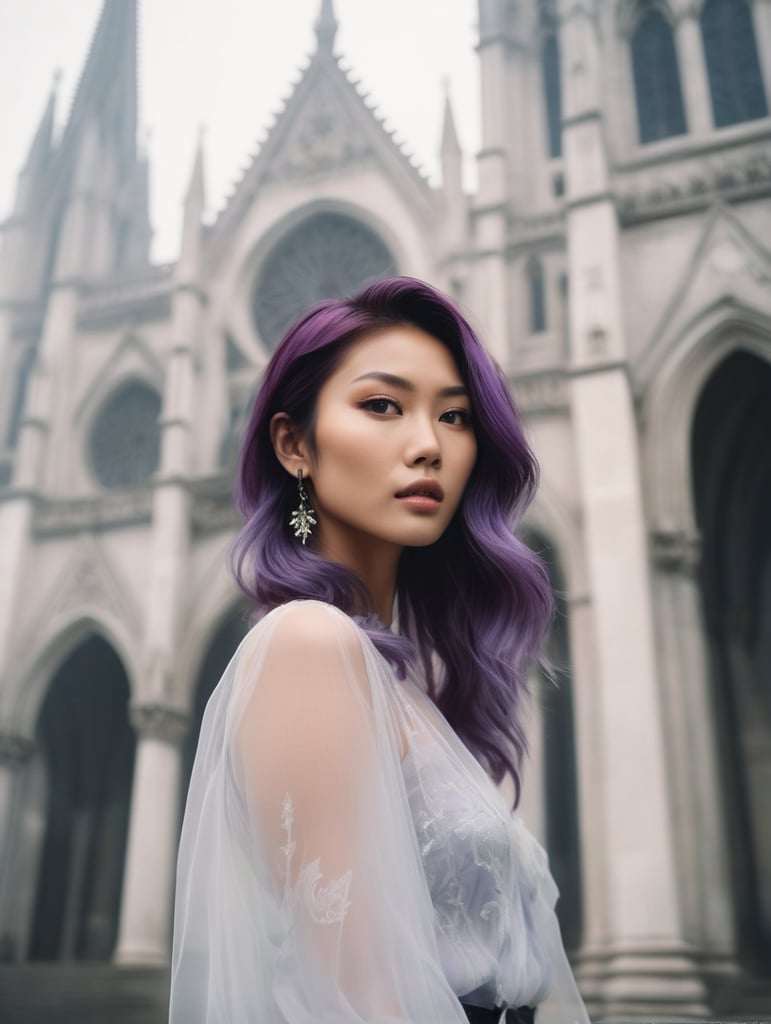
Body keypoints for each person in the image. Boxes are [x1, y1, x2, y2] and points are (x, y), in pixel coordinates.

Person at [168, 277, 589, 1024]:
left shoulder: (401, 683)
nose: (428, 444)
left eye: (454, 416)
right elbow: (357, 997)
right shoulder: (309, 643)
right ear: (294, 444)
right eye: (382, 406)